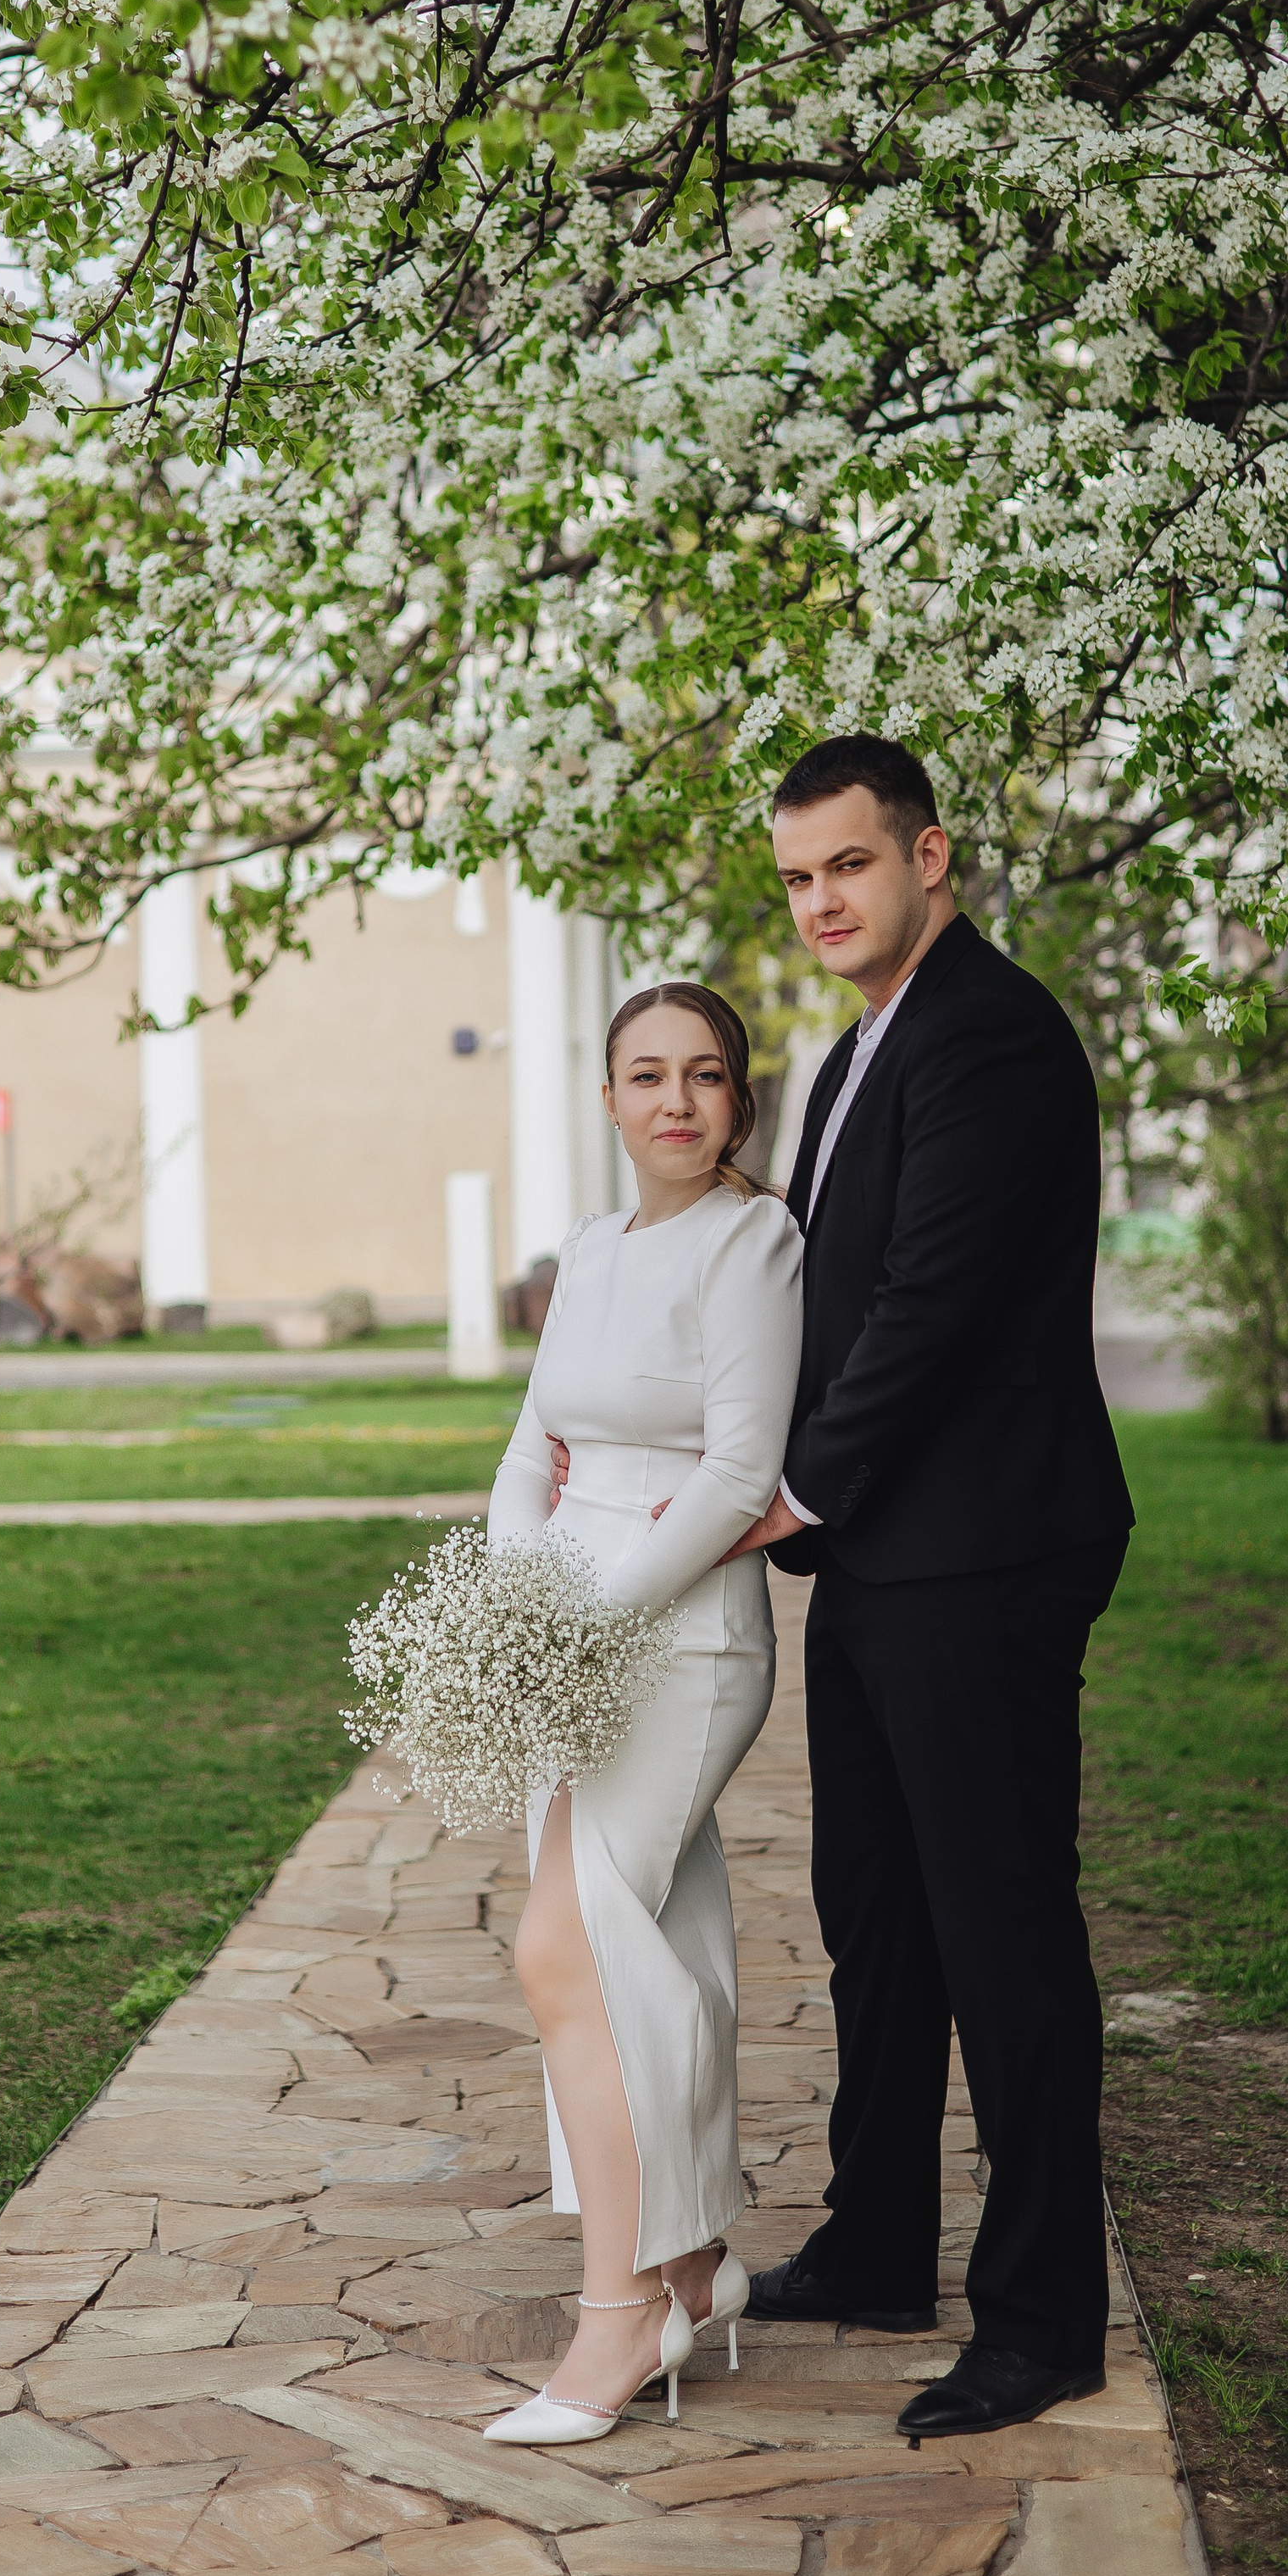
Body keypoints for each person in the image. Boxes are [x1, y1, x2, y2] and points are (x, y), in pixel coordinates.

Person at [724, 732, 1135, 2440]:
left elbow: (930, 1307)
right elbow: (828, 1292)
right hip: (888, 1552)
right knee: (876, 1923)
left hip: (980, 1547)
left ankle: (1039, 2316)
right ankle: (877, 2237)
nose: (822, 900)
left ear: (928, 857)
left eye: (849, 865)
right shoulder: (854, 1052)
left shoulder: (991, 1037)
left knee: (999, 1934)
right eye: (798, 876)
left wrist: (797, 1485)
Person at [479, 983, 803, 2448]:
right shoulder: (590, 1250)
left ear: (739, 1100)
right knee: (636, 1948)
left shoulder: (756, 1244)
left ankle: (622, 2317)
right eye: (646, 1075)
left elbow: (742, 1476)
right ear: (606, 1096)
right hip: (568, 1629)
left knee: (569, 1945)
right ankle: (689, 2268)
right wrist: (511, 1610)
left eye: (707, 1076)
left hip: (682, 1645)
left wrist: (592, 1620)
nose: (677, 1101)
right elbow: (528, 1452)